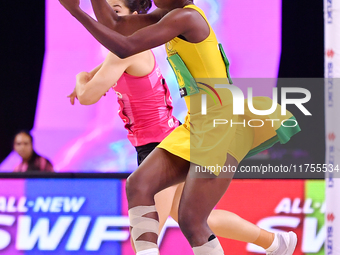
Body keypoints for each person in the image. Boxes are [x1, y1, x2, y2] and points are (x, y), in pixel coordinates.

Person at [60, 0, 300, 254]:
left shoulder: (187, 19)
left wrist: (76, 11)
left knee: (191, 220)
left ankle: (275, 243)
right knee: (145, 190)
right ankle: (276, 243)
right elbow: (116, 25)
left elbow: (125, 46)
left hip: (220, 122)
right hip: (195, 123)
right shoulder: (169, 16)